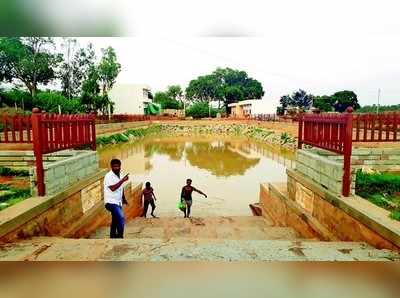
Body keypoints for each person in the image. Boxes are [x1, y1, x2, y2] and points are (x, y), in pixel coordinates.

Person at [104, 159, 129, 238]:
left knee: (115, 220)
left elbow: (121, 188)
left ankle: (112, 236)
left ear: (120, 166)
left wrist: (124, 198)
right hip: (110, 202)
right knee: (121, 218)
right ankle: (120, 237)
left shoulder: (121, 174)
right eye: (114, 166)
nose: (116, 168)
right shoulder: (108, 176)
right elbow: (113, 188)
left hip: (118, 202)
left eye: (118, 166)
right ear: (111, 167)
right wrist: (122, 180)